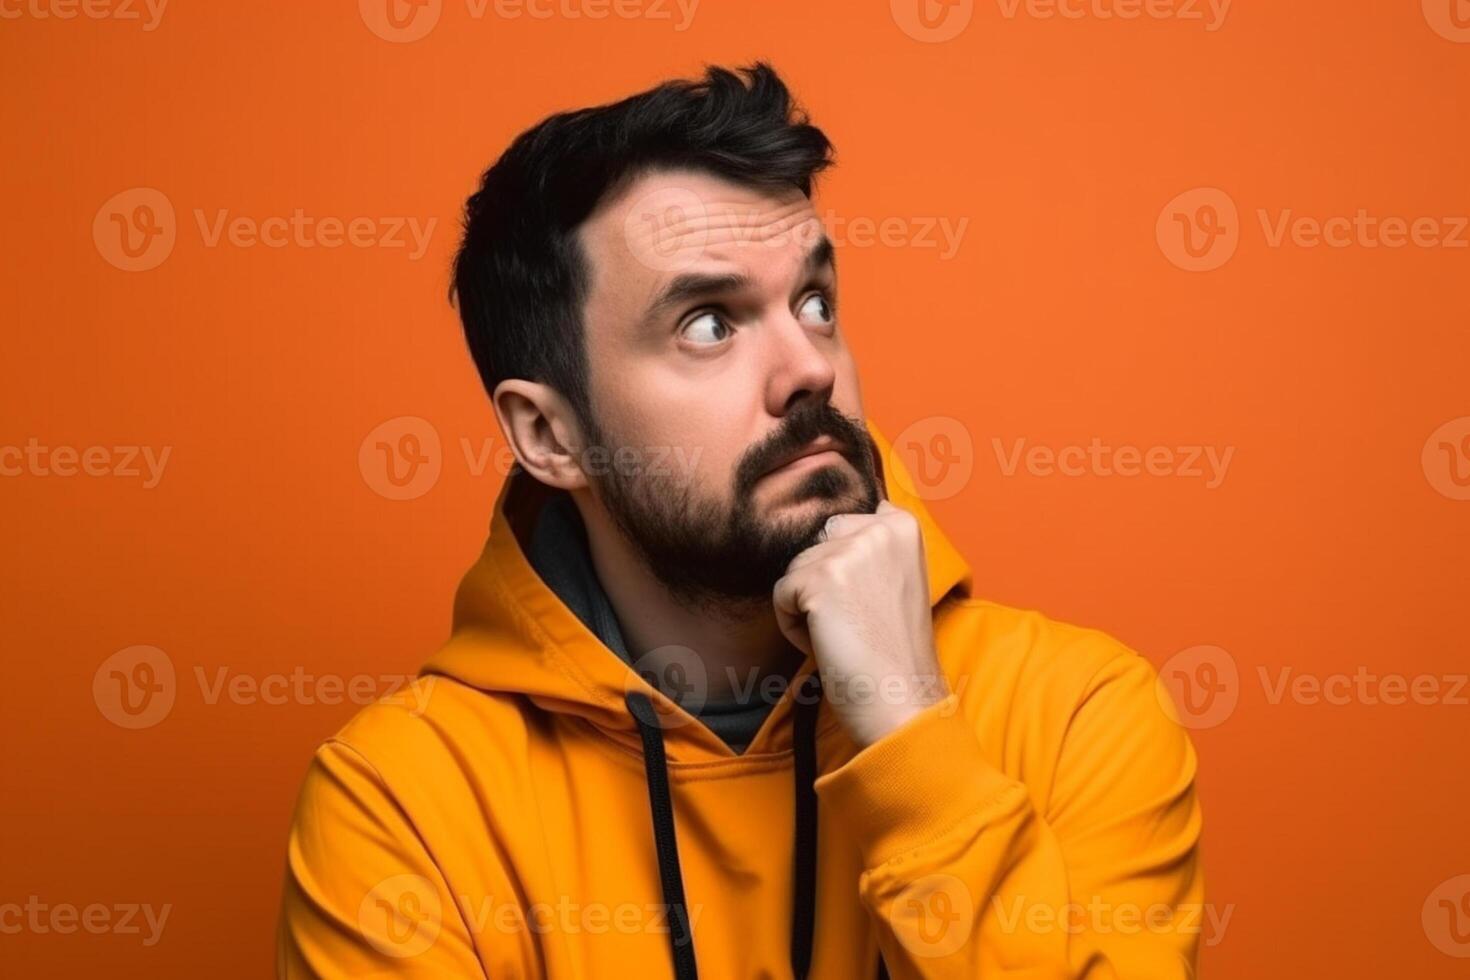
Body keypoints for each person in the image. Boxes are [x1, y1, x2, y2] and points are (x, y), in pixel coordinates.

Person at [277, 62, 1204, 978]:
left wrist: (908, 735)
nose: (809, 367)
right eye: (710, 324)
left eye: (815, 302)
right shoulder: (402, 806)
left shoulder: (1080, 715)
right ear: (551, 435)